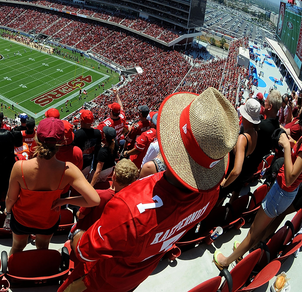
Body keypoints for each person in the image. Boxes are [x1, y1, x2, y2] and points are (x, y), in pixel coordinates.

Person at [62, 87, 239, 292]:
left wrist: (75, 235)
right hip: (137, 274)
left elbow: (84, 251)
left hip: (101, 279)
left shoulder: (129, 207)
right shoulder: (212, 193)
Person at [213, 111, 302, 270]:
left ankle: (226, 262)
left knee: (253, 232)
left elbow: (290, 177)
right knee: (262, 229)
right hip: (284, 192)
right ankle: (245, 253)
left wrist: (285, 147)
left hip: (282, 191)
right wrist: (291, 144)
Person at [5, 117, 100, 255]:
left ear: (37, 138)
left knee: (17, 247)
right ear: (61, 141)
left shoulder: (19, 167)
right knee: (43, 248)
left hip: (21, 219)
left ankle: (11, 273)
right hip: (48, 220)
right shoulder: (68, 169)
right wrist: (64, 201)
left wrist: (8, 212)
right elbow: (94, 200)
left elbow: (10, 199)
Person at [74, 159, 138, 233]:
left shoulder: (98, 195)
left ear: (114, 176)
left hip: (88, 232)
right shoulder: (130, 199)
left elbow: (80, 215)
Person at [219, 98, 261, 203]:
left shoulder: (243, 139)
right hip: (234, 181)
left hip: (229, 176)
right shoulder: (255, 133)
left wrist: (224, 183)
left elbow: (236, 170)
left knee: (217, 199)